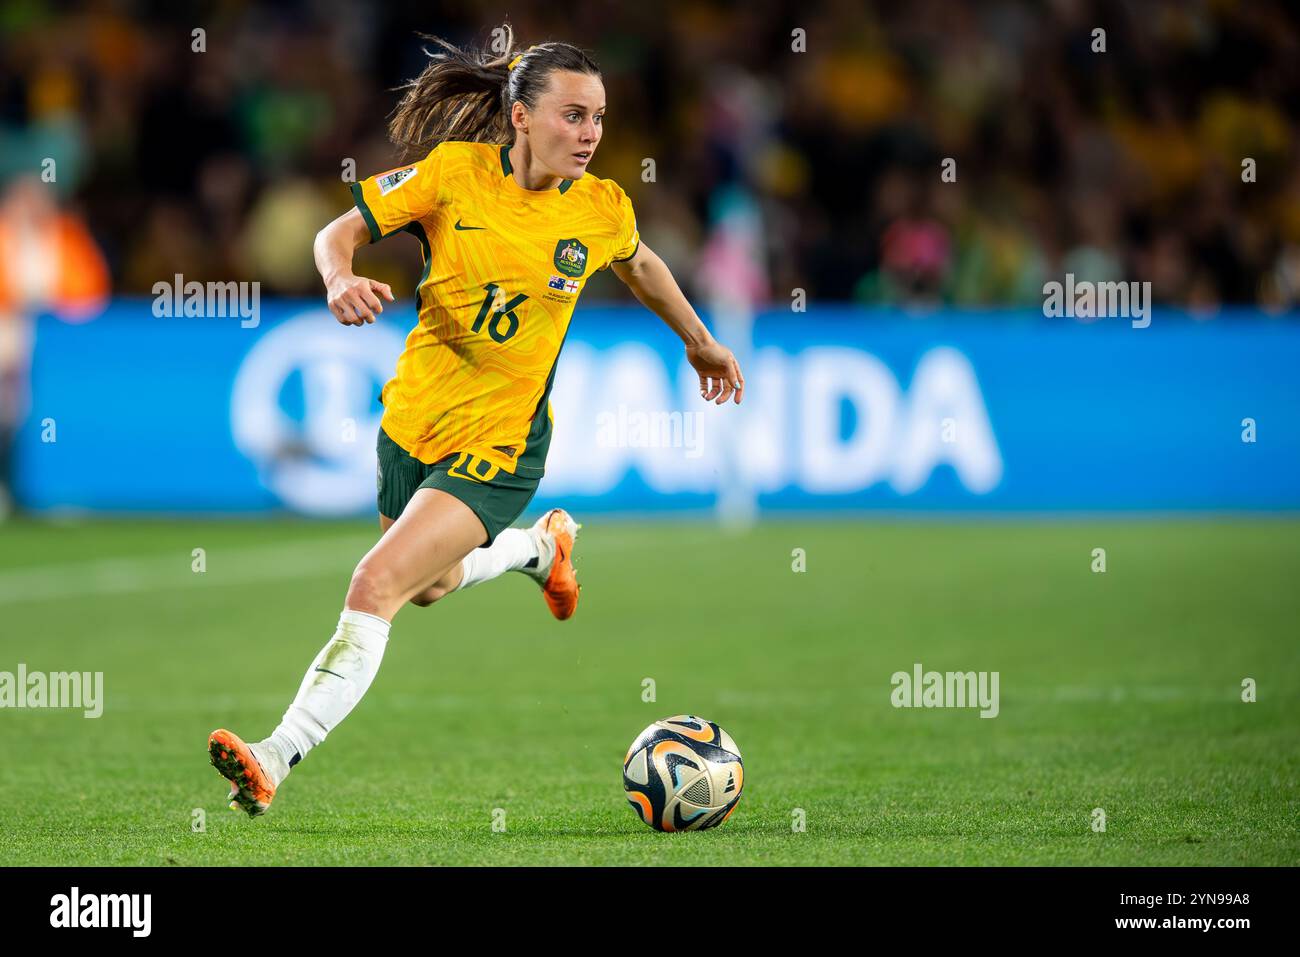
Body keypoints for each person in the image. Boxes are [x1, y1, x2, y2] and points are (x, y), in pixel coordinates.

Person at [208, 28, 745, 816]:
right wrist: (339, 277)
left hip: (503, 440)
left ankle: (273, 756)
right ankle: (539, 547)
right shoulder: (454, 175)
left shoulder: (600, 208)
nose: (590, 134)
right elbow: (338, 232)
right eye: (572, 115)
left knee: (375, 582)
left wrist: (700, 341)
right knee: (427, 588)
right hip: (413, 418)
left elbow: (640, 263)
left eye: (598, 118)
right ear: (521, 116)